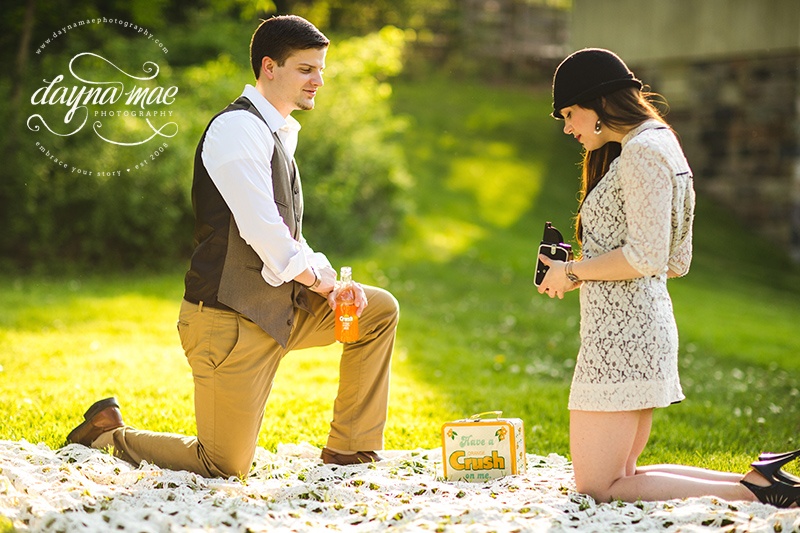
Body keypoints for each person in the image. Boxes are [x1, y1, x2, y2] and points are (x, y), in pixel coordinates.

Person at [65, 15, 400, 478]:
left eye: (321, 69)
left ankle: (350, 451)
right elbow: (265, 234)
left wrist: (329, 279)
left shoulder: (277, 132)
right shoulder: (236, 130)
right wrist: (323, 282)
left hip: (278, 308)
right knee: (223, 465)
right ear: (269, 67)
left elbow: (290, 237)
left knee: (376, 311)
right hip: (228, 323)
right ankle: (107, 433)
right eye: (306, 70)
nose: (319, 81)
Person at [536, 48, 799, 507]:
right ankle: (757, 483)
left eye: (570, 114)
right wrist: (580, 269)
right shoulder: (658, 142)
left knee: (600, 487)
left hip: (622, 340)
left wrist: (573, 270)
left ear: (598, 105)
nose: (567, 127)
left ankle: (755, 493)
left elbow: (648, 255)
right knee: (620, 476)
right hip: (633, 329)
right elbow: (674, 260)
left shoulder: (641, 152)